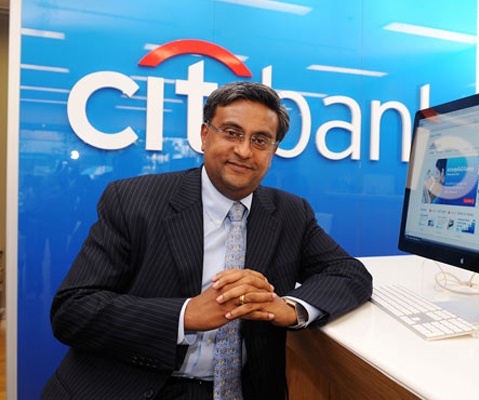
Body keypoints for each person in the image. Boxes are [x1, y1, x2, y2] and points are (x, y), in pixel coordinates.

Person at [42, 81, 373, 400]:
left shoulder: (290, 213)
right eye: (231, 133)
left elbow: (349, 273)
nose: (243, 150)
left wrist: (288, 308)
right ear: (204, 135)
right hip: (134, 384)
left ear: (273, 151)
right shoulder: (132, 200)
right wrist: (185, 315)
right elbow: (72, 310)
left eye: (260, 140)